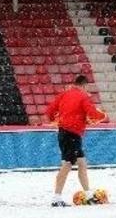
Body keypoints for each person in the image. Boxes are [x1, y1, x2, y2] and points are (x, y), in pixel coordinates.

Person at [45, 74, 106, 207]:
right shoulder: (83, 96)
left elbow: (49, 110)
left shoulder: (64, 94)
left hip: (65, 132)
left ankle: (89, 195)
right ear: (84, 85)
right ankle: (56, 198)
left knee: (82, 163)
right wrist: (102, 115)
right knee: (67, 164)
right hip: (72, 134)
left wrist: (54, 119)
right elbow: (92, 114)